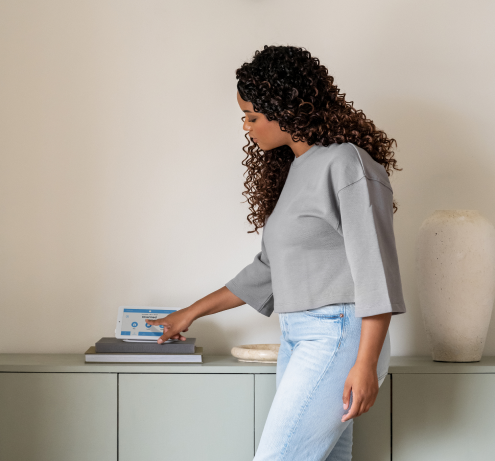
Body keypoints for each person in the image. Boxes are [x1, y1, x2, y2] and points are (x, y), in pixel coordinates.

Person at [145, 45, 406, 460]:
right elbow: (267, 270)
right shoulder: (296, 171)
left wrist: (366, 363)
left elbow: (377, 271)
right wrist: (188, 313)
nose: (247, 127)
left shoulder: (346, 163)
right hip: (298, 338)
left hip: (338, 336)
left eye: (252, 116)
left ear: (285, 108)